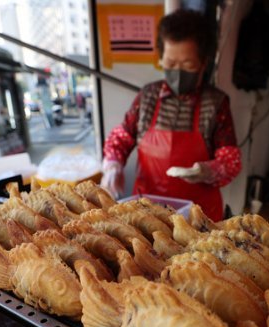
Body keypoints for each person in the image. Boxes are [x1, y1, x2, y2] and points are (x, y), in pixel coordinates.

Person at [100, 9, 241, 221]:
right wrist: (113, 165)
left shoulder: (216, 103)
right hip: (147, 213)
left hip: (198, 216)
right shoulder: (146, 97)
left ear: (203, 63)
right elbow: (120, 139)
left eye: (187, 65)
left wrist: (207, 171)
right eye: (171, 64)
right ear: (161, 59)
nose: (178, 72)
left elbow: (231, 161)